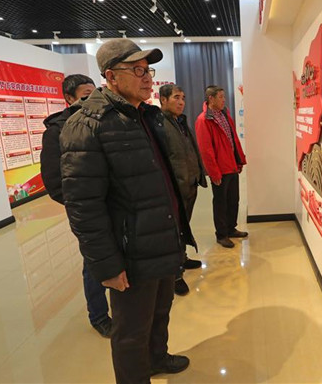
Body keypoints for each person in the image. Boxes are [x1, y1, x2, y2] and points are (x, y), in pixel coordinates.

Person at [59, 39, 194, 384]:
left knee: (160, 312)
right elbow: (83, 206)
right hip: (130, 251)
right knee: (131, 331)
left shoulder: (145, 115)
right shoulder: (88, 124)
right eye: (136, 70)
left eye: (148, 70)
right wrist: (106, 265)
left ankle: (157, 358)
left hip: (160, 238)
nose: (147, 77)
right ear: (111, 76)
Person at [40, 74, 112, 338]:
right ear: (68, 98)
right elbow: (54, 181)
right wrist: (81, 202)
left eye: (94, 94)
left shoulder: (104, 121)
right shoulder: (56, 131)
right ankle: (99, 315)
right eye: (84, 95)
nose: (91, 100)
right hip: (86, 209)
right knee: (93, 260)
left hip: (112, 204)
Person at [159, 84, 207, 295]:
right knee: (173, 231)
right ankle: (175, 274)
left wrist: (199, 174)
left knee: (183, 227)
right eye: (176, 97)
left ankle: (182, 258)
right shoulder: (160, 124)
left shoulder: (180, 121)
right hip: (175, 188)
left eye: (183, 98)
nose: (181, 102)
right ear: (163, 100)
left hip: (189, 184)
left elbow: (190, 151)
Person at [195, 85, 248, 248]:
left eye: (224, 97)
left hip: (231, 166)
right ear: (211, 98)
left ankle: (231, 228)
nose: (224, 100)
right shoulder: (203, 120)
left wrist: (239, 160)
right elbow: (206, 150)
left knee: (233, 200)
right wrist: (214, 173)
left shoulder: (225, 114)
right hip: (220, 169)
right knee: (220, 203)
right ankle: (222, 234)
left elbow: (233, 139)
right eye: (220, 97)